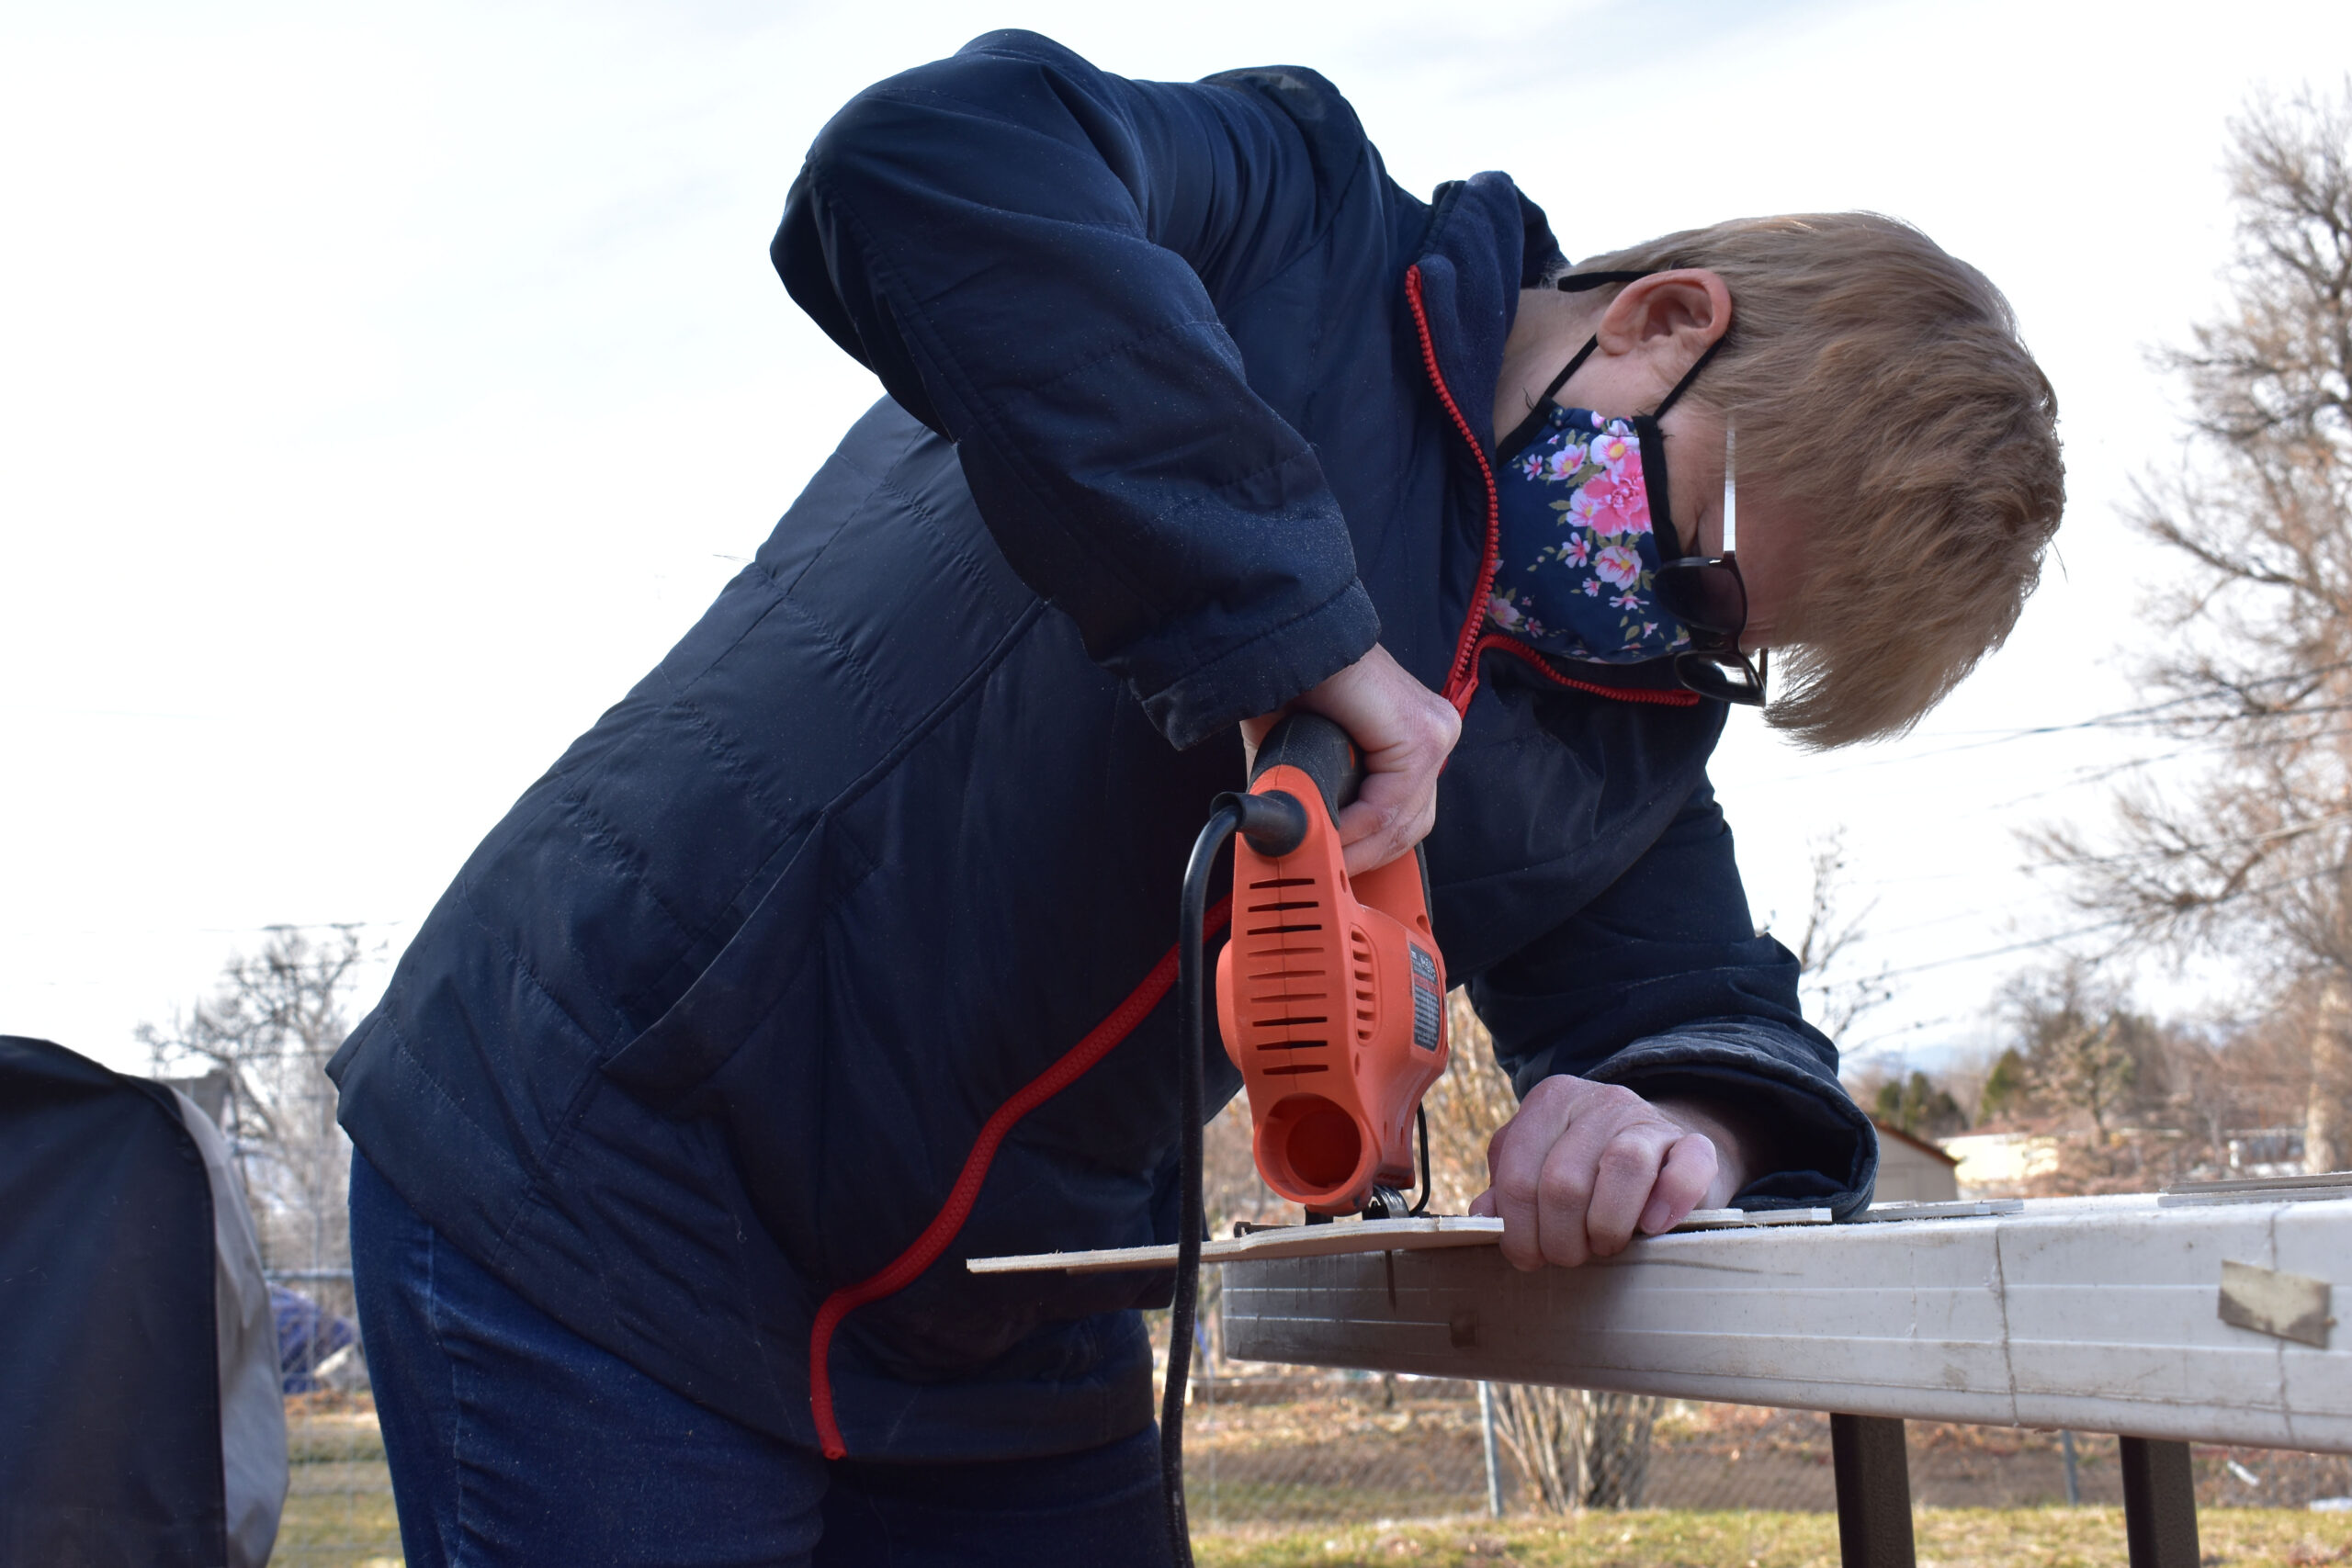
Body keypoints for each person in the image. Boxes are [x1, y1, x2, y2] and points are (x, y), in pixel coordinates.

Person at [329, 28, 2064, 1566]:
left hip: (1016, 1315)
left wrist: (1685, 1128)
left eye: (1733, 655)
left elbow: (1715, 1020)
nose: (1664, 643)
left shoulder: (1618, 733)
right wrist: (1280, 628)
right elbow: (917, 164)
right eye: (1689, 575)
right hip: (605, 1177)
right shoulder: (1291, 230)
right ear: (1663, 320)